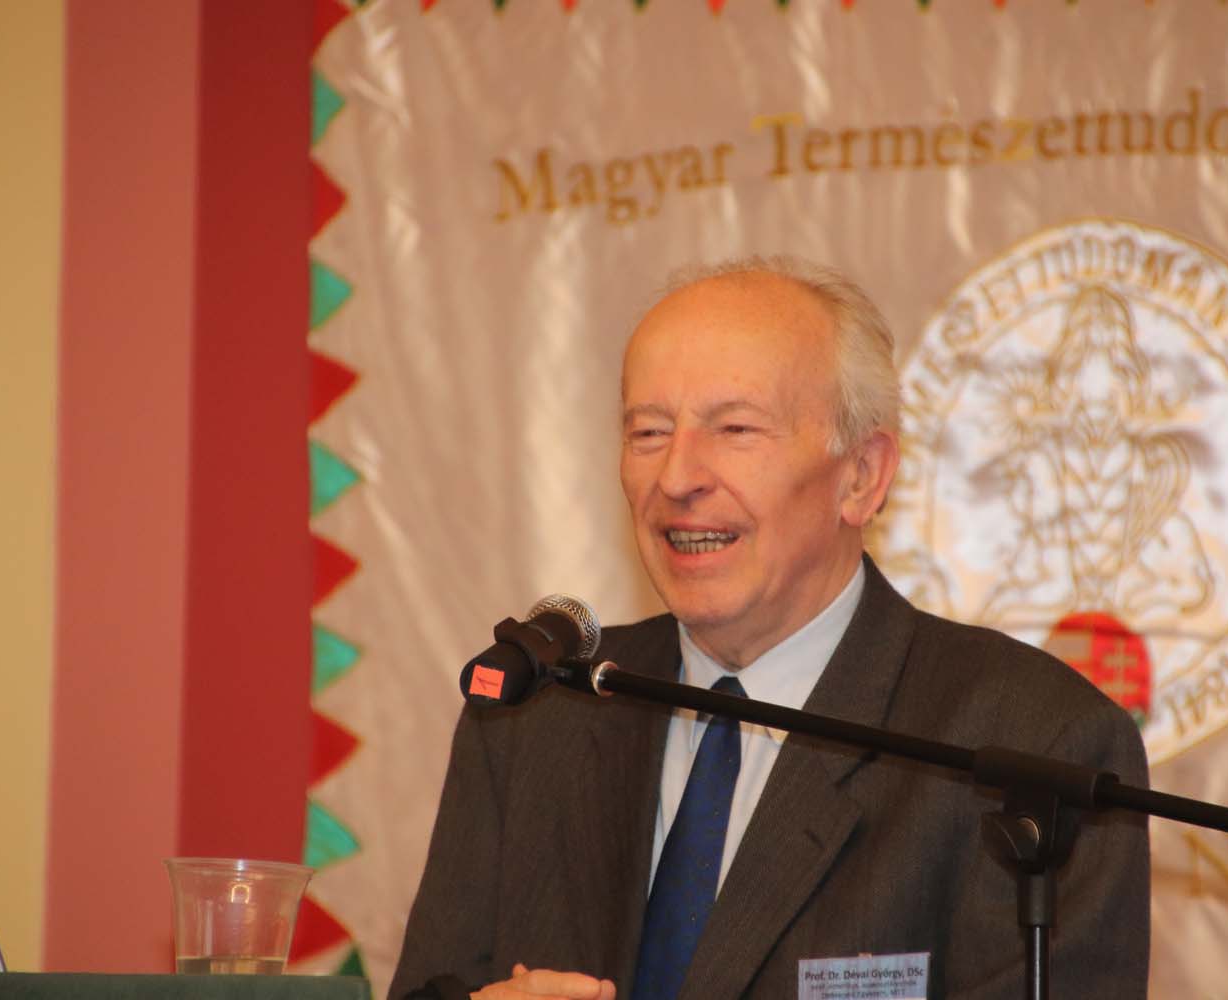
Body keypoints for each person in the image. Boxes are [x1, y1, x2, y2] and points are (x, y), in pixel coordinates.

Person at [389, 257, 1150, 1000]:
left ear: (862, 476)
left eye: (735, 429)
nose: (677, 478)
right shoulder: (538, 714)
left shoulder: (1032, 747)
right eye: (649, 433)